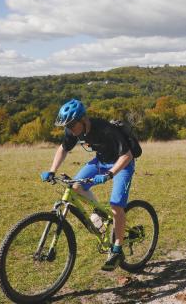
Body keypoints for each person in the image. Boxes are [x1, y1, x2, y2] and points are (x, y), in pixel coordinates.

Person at [40, 99, 135, 271]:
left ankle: (117, 249)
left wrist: (110, 174)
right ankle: (98, 211)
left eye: (72, 124)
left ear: (83, 120)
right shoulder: (73, 130)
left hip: (122, 164)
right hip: (100, 161)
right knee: (76, 187)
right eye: (66, 126)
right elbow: (63, 148)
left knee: (116, 206)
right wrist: (52, 170)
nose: (69, 129)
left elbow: (127, 155)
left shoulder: (105, 129)